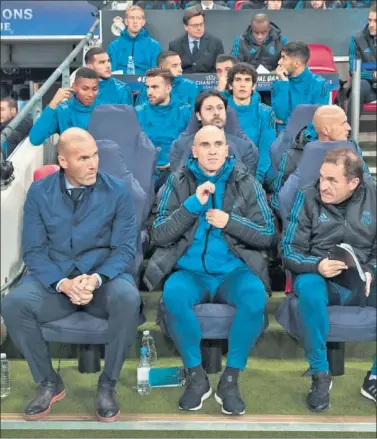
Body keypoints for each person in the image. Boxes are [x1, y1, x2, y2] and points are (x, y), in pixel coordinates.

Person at [1, 128, 141, 422]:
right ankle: (49, 382)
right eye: (83, 158)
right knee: (13, 304)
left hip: (104, 280)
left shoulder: (117, 191)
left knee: (128, 298)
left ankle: (108, 383)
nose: (93, 164)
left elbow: (125, 249)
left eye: (95, 156)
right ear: (63, 161)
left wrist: (95, 278)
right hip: (56, 282)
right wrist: (63, 283)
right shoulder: (40, 192)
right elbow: (34, 250)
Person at [144, 125, 274, 415]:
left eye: (218, 144)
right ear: (194, 151)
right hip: (190, 272)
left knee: (254, 297)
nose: (213, 150)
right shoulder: (176, 183)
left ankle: (230, 379)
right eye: (205, 144)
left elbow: (267, 234)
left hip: (234, 272)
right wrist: (193, 205)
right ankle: (197, 375)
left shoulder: (247, 183)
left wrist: (230, 222)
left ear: (228, 150)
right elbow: (159, 235)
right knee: (174, 295)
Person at [281, 148, 376, 411]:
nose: (323, 185)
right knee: (309, 290)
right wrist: (317, 265)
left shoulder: (374, 195)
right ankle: (320, 375)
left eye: (332, 180)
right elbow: (288, 250)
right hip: (317, 275)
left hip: (361, 278)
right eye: (322, 177)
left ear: (354, 183)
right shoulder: (307, 196)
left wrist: (371, 270)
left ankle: (375, 378)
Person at [271, 105, 350, 212]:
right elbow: (278, 198)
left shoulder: (351, 150)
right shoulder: (293, 155)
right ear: (325, 130)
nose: (348, 127)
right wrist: (298, 222)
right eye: (343, 123)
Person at [170, 90, 259, 175]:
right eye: (209, 109)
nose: (216, 113)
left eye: (220, 108)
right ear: (198, 115)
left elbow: (249, 187)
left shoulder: (245, 148)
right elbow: (176, 185)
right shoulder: (180, 146)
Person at [135, 68, 192, 189]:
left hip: (177, 172)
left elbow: (193, 145)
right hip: (145, 172)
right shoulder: (138, 113)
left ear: (168, 88)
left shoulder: (185, 112)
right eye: (148, 87)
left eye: (155, 87)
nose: (149, 92)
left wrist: (176, 163)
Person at [225, 63, 276, 187]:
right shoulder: (221, 110)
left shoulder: (266, 112)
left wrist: (255, 181)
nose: (243, 85)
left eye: (247, 80)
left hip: (255, 170)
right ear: (231, 85)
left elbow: (266, 151)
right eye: (238, 80)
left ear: (253, 86)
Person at [29, 68, 99, 146]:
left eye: (94, 89)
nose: (91, 94)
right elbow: (35, 139)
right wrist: (53, 103)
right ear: (74, 87)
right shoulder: (62, 111)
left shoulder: (104, 109)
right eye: (85, 89)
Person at [272, 42, 330, 132]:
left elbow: (318, 120)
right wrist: (283, 84)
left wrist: (287, 121)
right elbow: (280, 115)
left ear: (297, 63)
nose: (279, 62)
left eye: (284, 58)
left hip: (308, 138)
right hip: (283, 137)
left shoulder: (320, 84)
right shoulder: (279, 83)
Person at [107, 5, 161, 74]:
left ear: (143, 22)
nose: (135, 21)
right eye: (131, 18)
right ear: (126, 21)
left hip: (145, 83)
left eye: (138, 18)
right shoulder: (114, 45)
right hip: (120, 83)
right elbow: (112, 73)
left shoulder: (154, 46)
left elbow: (155, 74)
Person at [168, 9, 225, 73]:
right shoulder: (175, 45)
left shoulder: (215, 43)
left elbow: (220, 69)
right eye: (195, 25)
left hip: (208, 81)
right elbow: (171, 69)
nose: (199, 28)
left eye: (201, 24)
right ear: (186, 27)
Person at [347, 3, 377, 125]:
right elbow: (353, 69)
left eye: (376, 21)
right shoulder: (357, 39)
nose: (372, 25)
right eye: (370, 20)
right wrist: (373, 76)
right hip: (369, 86)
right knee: (359, 86)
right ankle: (349, 137)